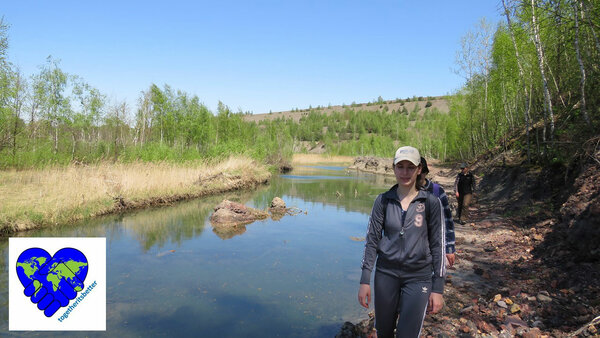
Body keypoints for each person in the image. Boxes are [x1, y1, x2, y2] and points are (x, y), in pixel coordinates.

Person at [358, 146, 446, 338]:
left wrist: (437, 288)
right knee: (384, 332)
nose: (405, 172)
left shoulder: (431, 202)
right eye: (400, 166)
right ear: (394, 168)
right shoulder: (382, 201)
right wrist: (365, 279)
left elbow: (438, 245)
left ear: (419, 169)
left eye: (410, 167)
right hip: (385, 275)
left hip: (418, 277)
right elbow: (372, 240)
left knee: (408, 334)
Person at [418, 157, 456, 268]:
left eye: (420, 176)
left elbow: (448, 220)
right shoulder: (406, 192)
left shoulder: (437, 191)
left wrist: (449, 248)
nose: (417, 179)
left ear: (425, 173)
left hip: (434, 247)